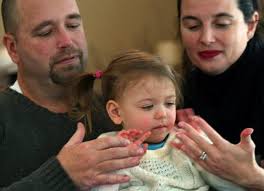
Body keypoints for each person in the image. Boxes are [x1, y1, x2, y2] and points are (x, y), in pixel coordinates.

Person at [0, 0, 147, 190]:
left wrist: (199, 153)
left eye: (73, 25)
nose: (67, 41)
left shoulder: (118, 108)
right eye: (46, 32)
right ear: (13, 47)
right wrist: (62, 175)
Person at [71, 49, 246, 190]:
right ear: (116, 112)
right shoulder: (110, 148)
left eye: (169, 103)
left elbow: (227, 185)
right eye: (148, 106)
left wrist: (211, 153)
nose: (162, 114)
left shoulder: (187, 142)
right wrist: (118, 161)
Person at [173, 0, 264, 190]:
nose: (206, 38)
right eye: (192, 26)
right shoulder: (178, 90)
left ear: (251, 25)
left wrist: (252, 177)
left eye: (222, 24)